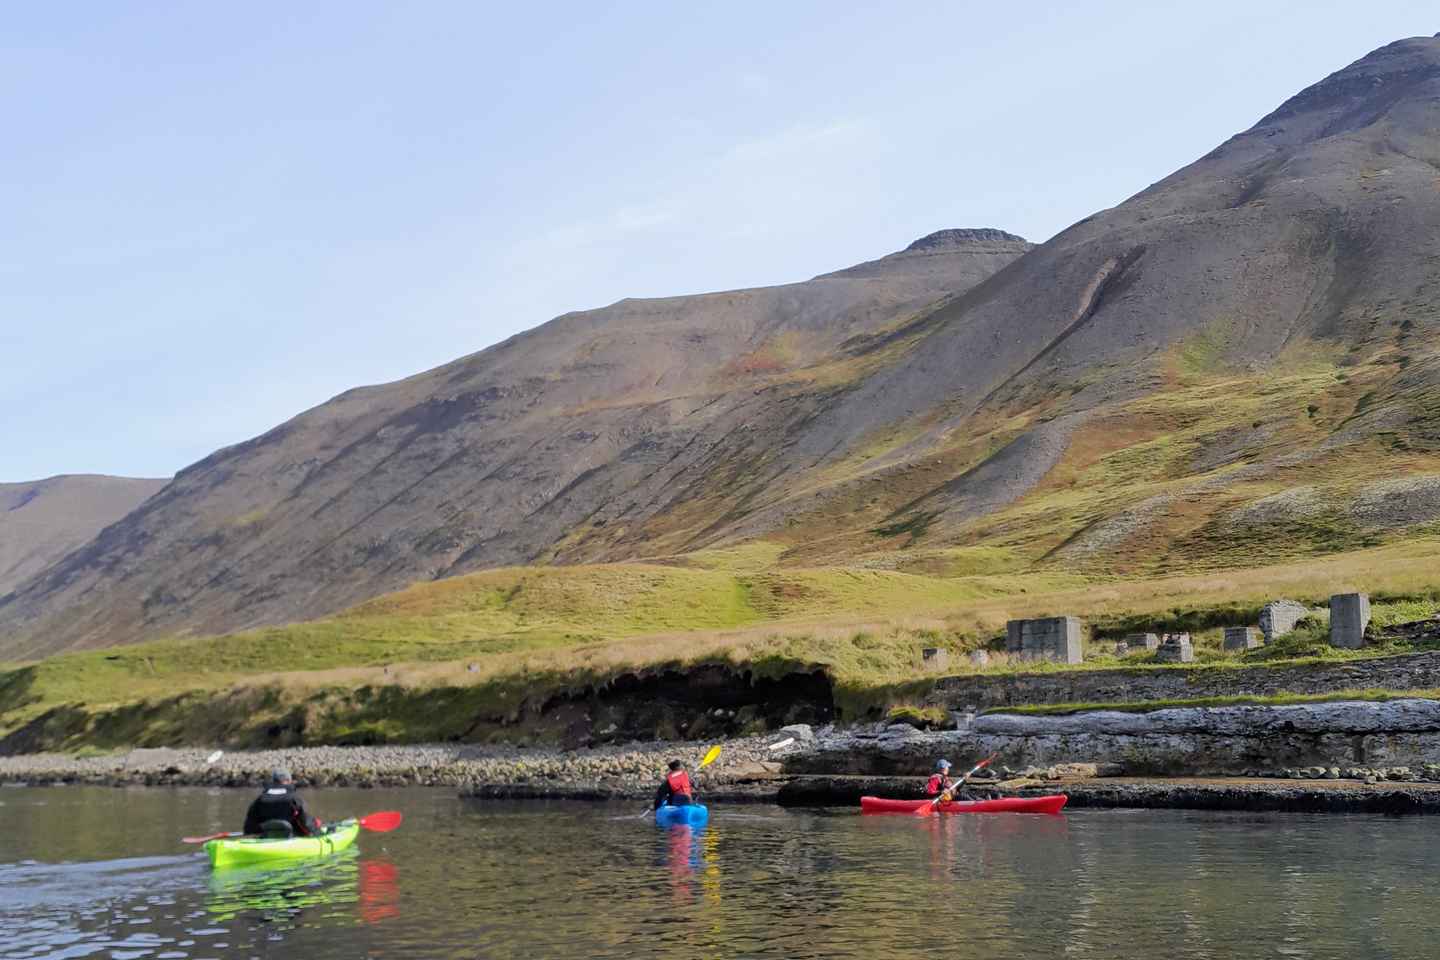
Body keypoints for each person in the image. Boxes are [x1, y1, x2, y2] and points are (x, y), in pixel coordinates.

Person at [243, 768, 325, 837]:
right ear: (289, 780)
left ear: (273, 781)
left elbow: (248, 828)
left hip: (267, 836)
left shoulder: (260, 799)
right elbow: (306, 823)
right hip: (289, 837)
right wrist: (318, 833)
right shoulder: (294, 798)